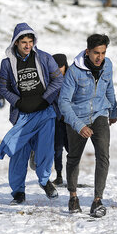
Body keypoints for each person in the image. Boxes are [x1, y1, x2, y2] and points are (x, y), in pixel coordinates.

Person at [0, 22, 64, 205]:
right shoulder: (7, 64)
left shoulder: (44, 58)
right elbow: (4, 88)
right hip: (23, 115)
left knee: (45, 149)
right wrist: (18, 102)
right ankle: (18, 192)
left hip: (45, 112)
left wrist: (44, 99)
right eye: (23, 42)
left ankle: (44, 181)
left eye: (30, 41)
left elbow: (58, 80)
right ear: (16, 43)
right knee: (19, 151)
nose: (27, 45)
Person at [58, 34, 117, 218]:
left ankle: (97, 200)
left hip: (100, 114)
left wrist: (113, 111)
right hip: (78, 117)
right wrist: (78, 125)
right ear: (87, 52)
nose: (100, 57)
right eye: (96, 53)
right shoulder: (74, 72)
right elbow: (63, 102)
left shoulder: (107, 65)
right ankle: (73, 197)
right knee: (74, 157)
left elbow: (109, 88)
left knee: (103, 155)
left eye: (103, 53)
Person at [51, 53, 70, 186]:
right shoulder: (50, 80)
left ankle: (71, 176)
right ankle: (59, 175)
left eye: (61, 67)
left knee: (72, 150)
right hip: (57, 120)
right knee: (57, 149)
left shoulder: (71, 78)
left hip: (70, 120)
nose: (58, 69)